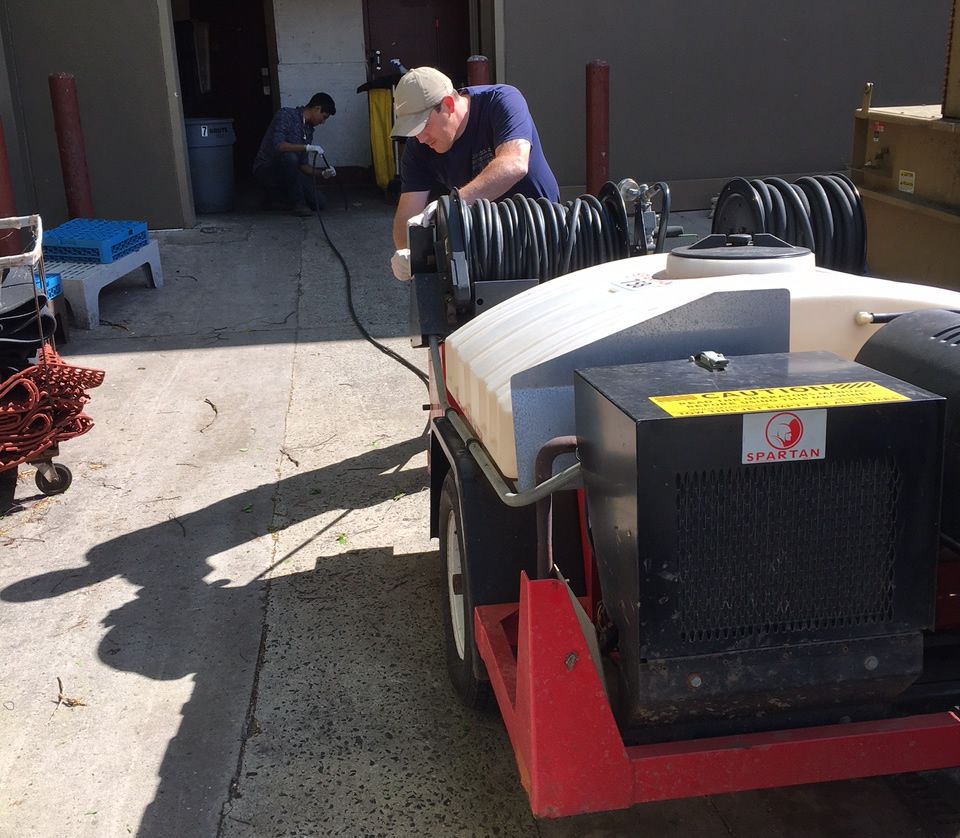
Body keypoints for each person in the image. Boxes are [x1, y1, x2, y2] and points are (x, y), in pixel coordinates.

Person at [389, 67, 559, 276]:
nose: (420, 138)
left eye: (423, 125)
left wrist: (452, 205)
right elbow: (407, 214)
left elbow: (514, 163)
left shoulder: (501, 101)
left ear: (448, 105)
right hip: (484, 251)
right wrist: (408, 251)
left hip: (542, 235)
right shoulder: (419, 147)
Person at [253, 92, 337, 216]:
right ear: (317, 108)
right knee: (290, 156)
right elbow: (279, 145)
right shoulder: (286, 115)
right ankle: (298, 204)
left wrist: (323, 173)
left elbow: (303, 165)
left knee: (320, 202)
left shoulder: (308, 130)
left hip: (291, 170)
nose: (323, 122)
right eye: (324, 117)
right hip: (268, 169)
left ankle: (275, 199)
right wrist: (307, 147)